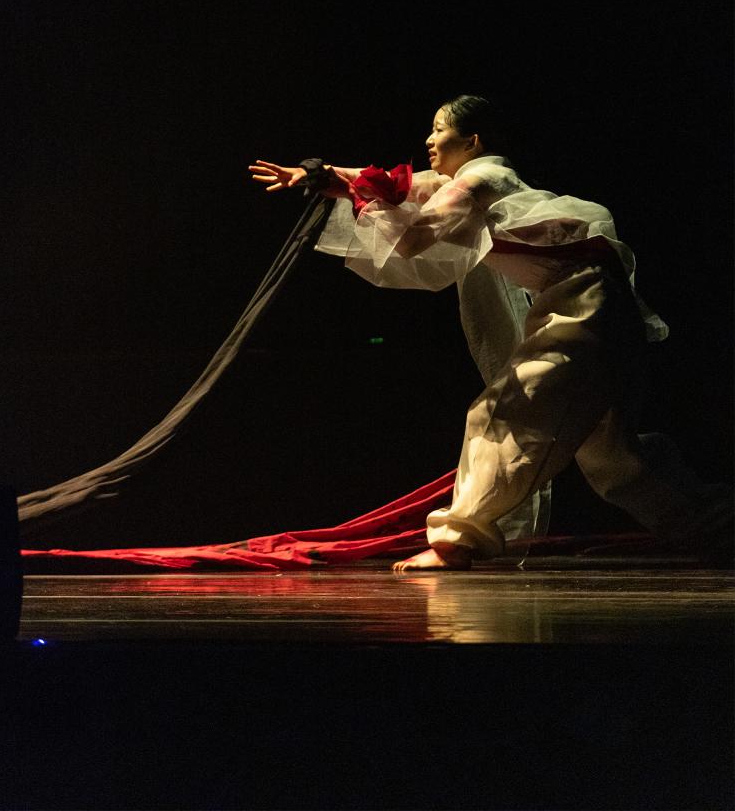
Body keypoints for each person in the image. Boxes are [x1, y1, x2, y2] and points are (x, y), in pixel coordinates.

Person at [250, 96, 731, 570]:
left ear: (472, 140)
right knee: (613, 456)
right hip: (595, 306)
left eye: (440, 129)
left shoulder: (479, 180)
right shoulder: (474, 179)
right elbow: (404, 187)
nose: (429, 139)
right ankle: (717, 526)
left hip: (585, 308)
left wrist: (360, 197)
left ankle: (456, 541)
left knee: (501, 415)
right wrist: (323, 175)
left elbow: (412, 238)